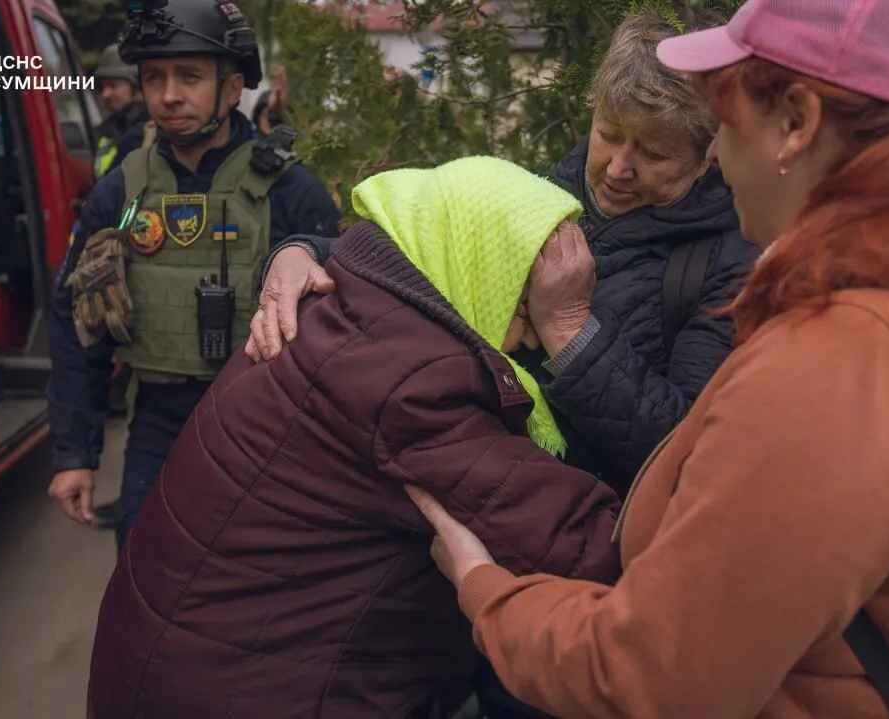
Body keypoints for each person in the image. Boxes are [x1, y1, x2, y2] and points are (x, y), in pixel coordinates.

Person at [406, 1, 889, 718]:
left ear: (796, 124)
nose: (715, 155)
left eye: (727, 121)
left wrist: (489, 590)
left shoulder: (845, 363)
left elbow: (658, 678)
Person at [86, 157, 621, 718]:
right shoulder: (412, 381)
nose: (531, 337)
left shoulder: (346, 302)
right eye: (526, 306)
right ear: (479, 270)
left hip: (179, 665)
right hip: (248, 690)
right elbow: (586, 551)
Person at [252, 11, 758, 497]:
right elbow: (414, 247)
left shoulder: (730, 269)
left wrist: (569, 331)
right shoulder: (536, 194)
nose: (618, 168)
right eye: (609, 134)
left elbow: (686, 453)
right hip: (469, 492)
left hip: (590, 528)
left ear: (706, 156)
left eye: (653, 153)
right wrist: (303, 253)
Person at [45, 0, 341, 549]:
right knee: (142, 558)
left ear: (232, 88)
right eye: (153, 78)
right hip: (158, 421)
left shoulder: (288, 189)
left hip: (266, 421)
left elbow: (346, 313)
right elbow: (74, 321)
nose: (169, 95)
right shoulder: (121, 190)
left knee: (260, 568)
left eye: (190, 76)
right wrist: (74, 453)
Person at [92, 43, 151, 179]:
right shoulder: (109, 128)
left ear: (137, 86)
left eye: (113, 86)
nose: (105, 94)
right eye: (103, 87)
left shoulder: (154, 132)